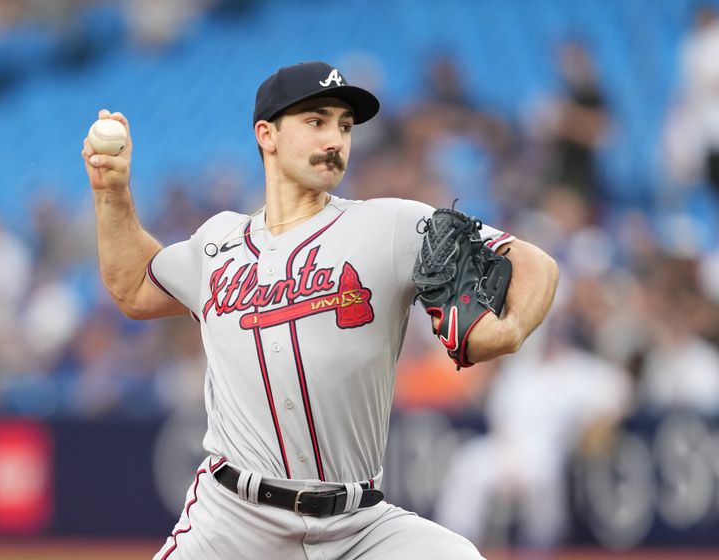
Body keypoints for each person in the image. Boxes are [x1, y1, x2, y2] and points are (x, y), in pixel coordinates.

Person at [81, 61, 558, 560]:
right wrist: (110, 192)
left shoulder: (391, 224)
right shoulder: (217, 242)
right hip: (234, 524)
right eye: (316, 121)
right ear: (266, 134)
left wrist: (512, 330)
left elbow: (535, 262)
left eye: (344, 126)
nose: (335, 139)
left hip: (358, 525)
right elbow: (133, 286)